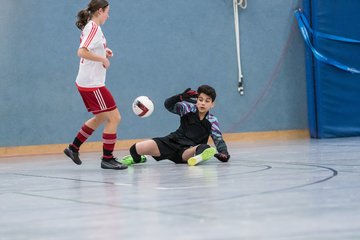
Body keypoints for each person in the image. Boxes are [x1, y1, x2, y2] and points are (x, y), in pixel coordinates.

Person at [64, 0, 127, 170]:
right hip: (92, 83)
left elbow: (89, 48)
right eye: (107, 11)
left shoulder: (91, 27)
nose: (108, 15)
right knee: (115, 118)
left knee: (101, 117)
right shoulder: (93, 27)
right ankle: (107, 158)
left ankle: (73, 148)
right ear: (100, 11)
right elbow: (81, 51)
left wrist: (103, 51)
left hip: (88, 81)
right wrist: (103, 59)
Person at [120, 85, 230, 166]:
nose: (202, 103)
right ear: (196, 100)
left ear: (212, 104)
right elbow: (167, 105)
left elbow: (218, 139)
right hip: (171, 142)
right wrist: (180, 97)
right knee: (134, 149)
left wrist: (223, 153)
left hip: (187, 150)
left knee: (204, 147)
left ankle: (198, 157)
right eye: (200, 100)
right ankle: (139, 159)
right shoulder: (187, 108)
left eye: (207, 101)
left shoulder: (212, 120)